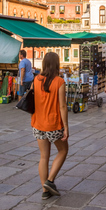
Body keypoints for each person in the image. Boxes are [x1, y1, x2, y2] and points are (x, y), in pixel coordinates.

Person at [32, 52, 68, 200]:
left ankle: (45, 190)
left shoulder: (36, 79)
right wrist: (66, 126)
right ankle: (50, 180)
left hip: (38, 123)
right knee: (63, 150)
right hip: (53, 124)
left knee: (43, 156)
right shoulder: (59, 81)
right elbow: (63, 106)